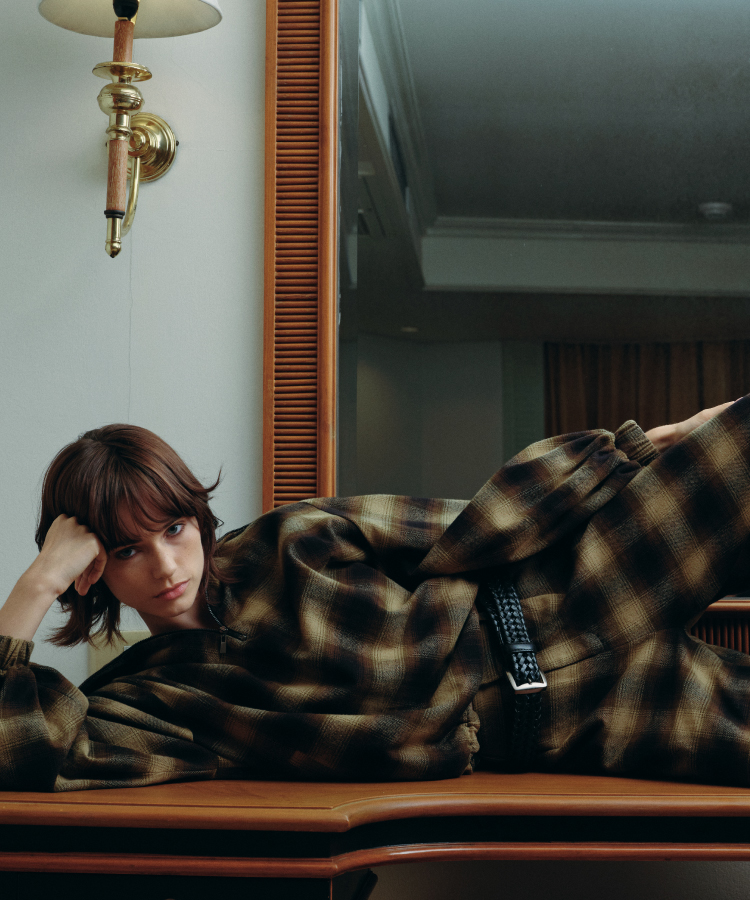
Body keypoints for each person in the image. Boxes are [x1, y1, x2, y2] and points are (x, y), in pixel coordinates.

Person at [0, 401, 747, 792]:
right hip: (574, 718)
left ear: (196, 517)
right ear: (93, 570)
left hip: (575, 583)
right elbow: (21, 754)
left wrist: (640, 450)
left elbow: (474, 525)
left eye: (173, 528)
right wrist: (36, 585)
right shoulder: (151, 701)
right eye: (127, 549)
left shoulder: (291, 540)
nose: (166, 563)